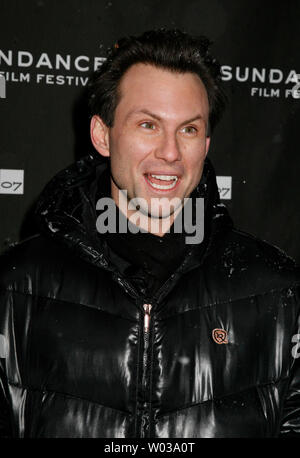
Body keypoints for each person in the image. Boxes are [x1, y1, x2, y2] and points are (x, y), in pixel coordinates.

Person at [0, 29, 299, 438]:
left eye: (189, 129)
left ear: (206, 143)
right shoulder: (17, 286)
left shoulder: (276, 290)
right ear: (103, 135)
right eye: (148, 125)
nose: (171, 152)